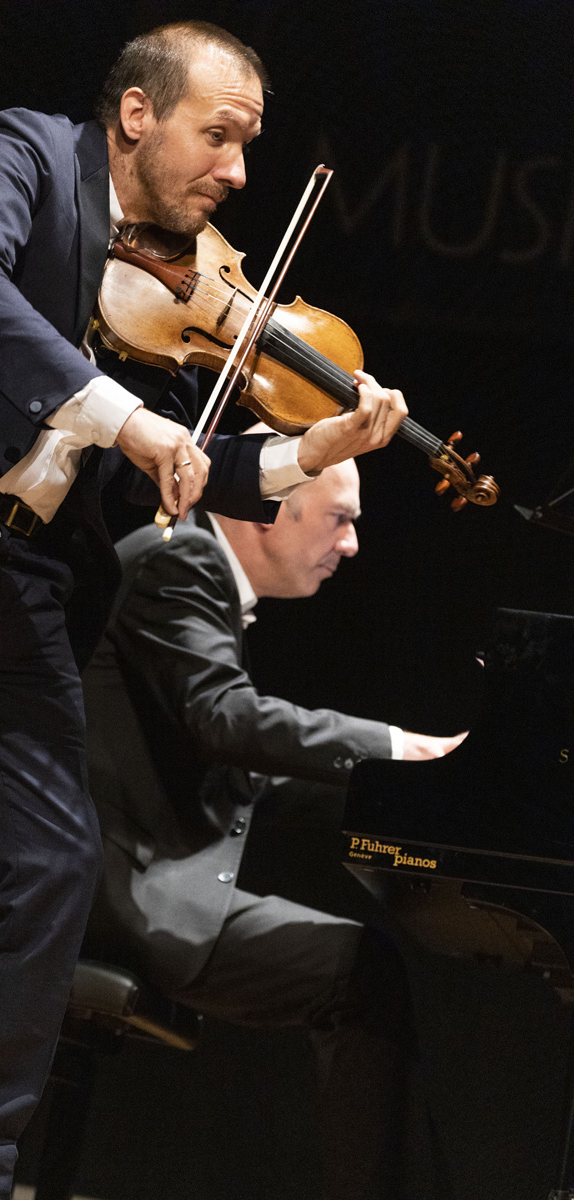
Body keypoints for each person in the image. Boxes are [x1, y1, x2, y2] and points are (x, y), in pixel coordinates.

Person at [0, 22, 410, 1200]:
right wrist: (130, 418)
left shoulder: (187, 280)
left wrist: (307, 451)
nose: (236, 172)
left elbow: (196, 466)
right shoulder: (23, 153)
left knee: (53, 866)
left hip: (28, 581)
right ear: (134, 114)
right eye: (217, 137)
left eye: (246, 146)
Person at [81, 452, 464, 1198]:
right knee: (361, 973)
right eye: (340, 518)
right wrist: (397, 748)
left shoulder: (194, 570)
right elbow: (227, 719)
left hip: (129, 875)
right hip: (109, 889)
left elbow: (243, 773)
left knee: (366, 969)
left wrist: (402, 798)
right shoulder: (180, 558)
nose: (351, 543)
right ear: (268, 508)